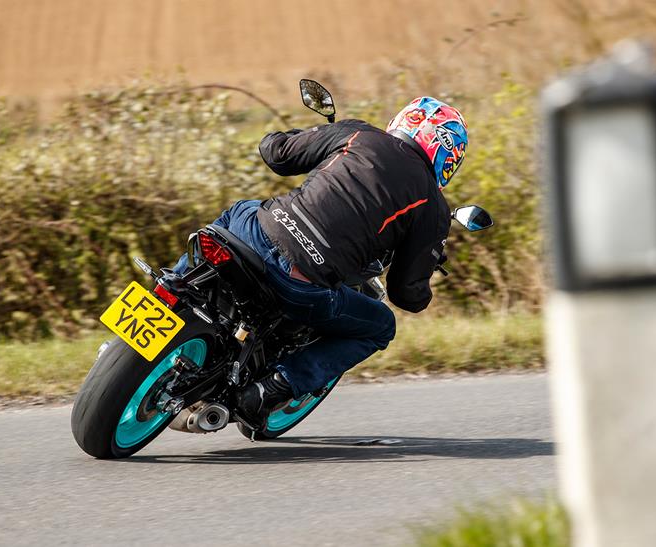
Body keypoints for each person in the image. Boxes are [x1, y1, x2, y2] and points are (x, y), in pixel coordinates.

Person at [179, 97, 468, 426]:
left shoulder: (359, 134)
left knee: (240, 210)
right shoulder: (433, 207)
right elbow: (406, 294)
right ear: (449, 157)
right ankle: (273, 388)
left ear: (404, 120)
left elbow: (276, 153)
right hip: (301, 284)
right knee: (380, 327)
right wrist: (426, 277)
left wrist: (292, 135)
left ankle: (172, 291)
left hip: (256, 234)